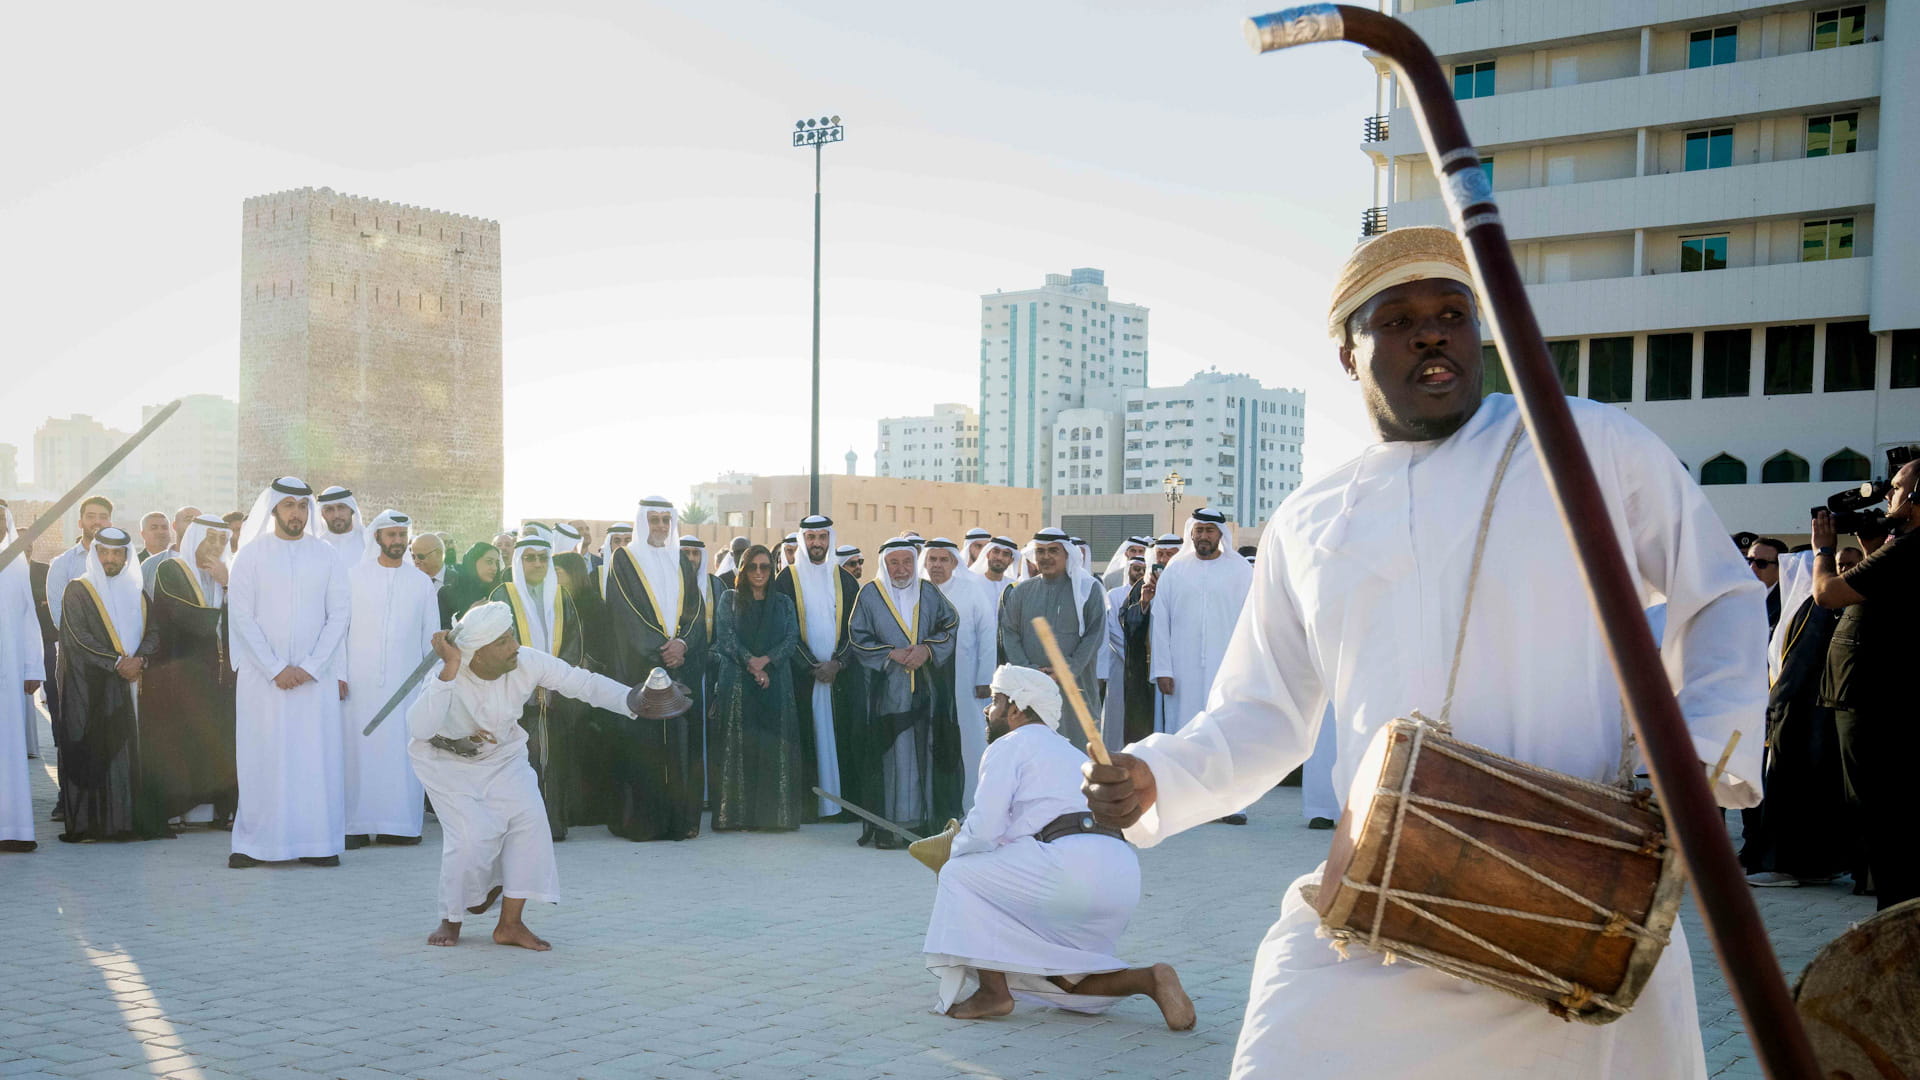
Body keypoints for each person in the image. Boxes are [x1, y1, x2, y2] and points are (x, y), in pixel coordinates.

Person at [1083, 226, 1762, 1079]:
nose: (1432, 332)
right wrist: (1160, 778)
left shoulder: (1583, 444)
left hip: (1569, 897)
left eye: (1452, 312)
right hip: (1379, 904)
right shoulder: (1309, 518)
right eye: (1398, 320)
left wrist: (1697, 759)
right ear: (1348, 354)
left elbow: (1723, 593)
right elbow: (1263, 714)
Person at [926, 664, 1195, 1030]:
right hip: (1121, 877)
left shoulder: (1010, 744)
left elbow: (985, 828)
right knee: (1070, 986)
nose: (987, 711)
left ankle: (994, 992)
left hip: (1065, 871)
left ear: (1016, 710)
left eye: (995, 701)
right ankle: (1152, 979)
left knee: (957, 875)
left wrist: (951, 850)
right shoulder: (1072, 753)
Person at [407, 602, 649, 951]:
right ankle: (452, 916)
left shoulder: (528, 661)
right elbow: (419, 727)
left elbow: (580, 682)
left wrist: (632, 700)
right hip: (446, 764)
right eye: (503, 641)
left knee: (531, 823)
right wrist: (449, 668)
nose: (514, 646)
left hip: (504, 756)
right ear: (477, 653)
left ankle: (510, 925)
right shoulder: (450, 674)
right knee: (473, 837)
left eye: (511, 636)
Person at [1811, 457, 1920, 910]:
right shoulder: (1902, 547)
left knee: (1881, 815)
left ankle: (1896, 921)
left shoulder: (1912, 547)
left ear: (1915, 499)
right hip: (1880, 695)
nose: (1887, 494)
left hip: (1875, 700)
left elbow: (1828, 594)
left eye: (1896, 488)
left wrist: (1822, 550)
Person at [227, 477, 351, 869]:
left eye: (302, 506)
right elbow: (241, 617)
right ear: (274, 509)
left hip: (315, 680)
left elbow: (340, 615)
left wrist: (311, 667)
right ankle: (255, 844)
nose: (296, 513)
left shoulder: (327, 555)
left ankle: (317, 843)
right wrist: (276, 667)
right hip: (262, 680)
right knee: (261, 756)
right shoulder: (250, 555)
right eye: (289, 506)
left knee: (313, 759)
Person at [1740, 543, 1853, 887]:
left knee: (1792, 792)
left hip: (1800, 717)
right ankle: (1813, 865)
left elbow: (1796, 671)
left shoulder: (1811, 611)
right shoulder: (1801, 608)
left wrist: (1774, 705)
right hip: (1797, 714)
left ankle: (1788, 866)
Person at [603, 496, 708, 841]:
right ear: (642, 522)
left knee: (678, 746)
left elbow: (695, 610)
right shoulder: (624, 559)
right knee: (644, 746)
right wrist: (660, 651)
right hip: (641, 668)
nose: (661, 527)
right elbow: (625, 613)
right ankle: (643, 824)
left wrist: (684, 645)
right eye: (655, 520)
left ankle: (679, 822)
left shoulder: (681, 560)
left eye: (666, 520)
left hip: (678, 667)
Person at [56, 526, 164, 842]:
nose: (110, 558)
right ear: (96, 553)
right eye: (104, 552)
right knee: (94, 749)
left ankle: (126, 822)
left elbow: (154, 633)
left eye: (118, 553)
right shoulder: (79, 589)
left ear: (127, 556)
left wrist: (140, 660)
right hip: (91, 689)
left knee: (128, 752)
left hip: (133, 685)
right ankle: (93, 824)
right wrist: (118, 663)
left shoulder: (139, 592)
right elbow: (78, 637)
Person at [849, 538, 960, 848]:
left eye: (907, 562)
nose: (901, 569)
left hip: (925, 689)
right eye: (894, 563)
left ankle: (924, 824)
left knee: (925, 752)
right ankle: (888, 827)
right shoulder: (869, 594)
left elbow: (950, 625)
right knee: (889, 756)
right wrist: (890, 654)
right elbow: (857, 637)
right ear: (885, 564)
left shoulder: (929, 592)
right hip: (887, 692)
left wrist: (927, 649)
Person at [340, 510, 439, 849]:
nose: (397, 541)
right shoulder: (353, 577)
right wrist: (339, 674)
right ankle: (354, 824)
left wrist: (430, 685)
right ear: (377, 538)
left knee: (402, 752)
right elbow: (340, 632)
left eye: (401, 535)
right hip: (358, 683)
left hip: (406, 686)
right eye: (391, 535)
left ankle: (399, 825)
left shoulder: (421, 582)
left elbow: (432, 639)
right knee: (356, 751)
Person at [141, 515, 238, 828]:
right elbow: (190, 619)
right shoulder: (172, 570)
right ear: (195, 538)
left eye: (222, 541)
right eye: (211, 539)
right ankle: (181, 809)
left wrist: (226, 581)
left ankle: (220, 811)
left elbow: (246, 617)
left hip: (222, 675)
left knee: (220, 742)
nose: (216, 546)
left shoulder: (228, 572)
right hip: (182, 673)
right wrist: (226, 588)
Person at [489, 534, 585, 841]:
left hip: (554, 698)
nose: (537, 564)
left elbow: (574, 644)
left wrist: (553, 683)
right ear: (519, 561)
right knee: (518, 762)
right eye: (529, 558)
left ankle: (553, 824)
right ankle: (518, 828)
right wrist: (528, 683)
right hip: (515, 696)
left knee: (553, 760)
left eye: (543, 558)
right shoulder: (503, 595)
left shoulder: (562, 597)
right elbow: (497, 645)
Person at [772, 515, 867, 822]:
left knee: (843, 738)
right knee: (806, 737)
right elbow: (783, 630)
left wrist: (838, 663)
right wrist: (812, 665)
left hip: (840, 676)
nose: (816, 543)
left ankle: (843, 808)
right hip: (804, 678)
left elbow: (858, 629)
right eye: (811, 537)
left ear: (830, 540)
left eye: (822, 537)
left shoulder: (846, 580)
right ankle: (810, 808)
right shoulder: (786, 580)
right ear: (803, 540)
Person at [710, 545, 805, 831]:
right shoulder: (729, 599)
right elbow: (724, 636)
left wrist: (767, 662)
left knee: (774, 747)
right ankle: (735, 816)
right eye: (753, 567)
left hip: (776, 681)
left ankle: (774, 817)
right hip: (738, 682)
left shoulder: (784, 602)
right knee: (739, 747)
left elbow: (791, 639)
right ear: (743, 569)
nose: (759, 573)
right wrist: (752, 663)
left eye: (765, 567)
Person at [997, 528, 1106, 751]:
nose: (1046, 557)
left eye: (1053, 551)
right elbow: (1009, 632)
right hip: (1030, 688)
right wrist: (1030, 672)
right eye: (1041, 552)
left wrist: (1066, 670)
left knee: (1078, 747)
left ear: (1067, 554)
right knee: (1035, 748)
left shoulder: (1088, 589)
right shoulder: (1022, 591)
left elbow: (1094, 635)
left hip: (1075, 686)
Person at [1151, 508, 1254, 737]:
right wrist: (1162, 669)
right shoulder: (1175, 570)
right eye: (1199, 530)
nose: (1204, 536)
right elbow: (1160, 624)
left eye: (1210, 531)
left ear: (1220, 535)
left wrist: (1247, 669)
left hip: (1227, 667)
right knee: (1182, 729)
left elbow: (1250, 623)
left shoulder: (1240, 570)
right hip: (1180, 671)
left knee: (1223, 729)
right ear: (1191, 534)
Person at [922, 538, 995, 812]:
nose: (937, 565)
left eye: (943, 560)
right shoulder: (917, 591)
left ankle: (972, 805)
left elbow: (988, 635)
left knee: (969, 740)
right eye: (932, 559)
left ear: (954, 562)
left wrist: (984, 679)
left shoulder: (971, 590)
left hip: (965, 682)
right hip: (926, 681)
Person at [0, 501, 44, 852]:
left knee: (9, 748)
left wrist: (32, 668)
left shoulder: (16, 564)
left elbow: (30, 617)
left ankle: (12, 829)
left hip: (9, 670)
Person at [1098, 556, 1146, 748]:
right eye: (1136, 569)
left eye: (1143, 569)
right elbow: (1113, 632)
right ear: (1128, 570)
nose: (1140, 573)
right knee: (1116, 713)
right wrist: (1133, 658)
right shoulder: (1114, 594)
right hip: (1120, 664)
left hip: (1145, 668)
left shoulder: (1154, 592)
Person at [138, 505, 201, 600]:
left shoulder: (210, 563)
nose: (160, 532)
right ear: (175, 526)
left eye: (164, 527)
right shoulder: (146, 565)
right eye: (154, 528)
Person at [441, 542, 502, 628]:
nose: (495, 568)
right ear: (472, 561)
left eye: (496, 563)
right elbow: (443, 635)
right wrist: (470, 616)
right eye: (489, 561)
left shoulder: (499, 593)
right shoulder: (447, 594)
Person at [1746, 537, 1787, 634]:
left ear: (1780, 567)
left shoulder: (1786, 603)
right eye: (1749, 560)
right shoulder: (1734, 596)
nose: (1752, 568)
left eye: (1761, 563)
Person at [316, 485, 363, 567]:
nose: (336, 515)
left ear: (352, 509)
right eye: (329, 509)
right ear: (322, 515)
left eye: (341, 507)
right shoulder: (317, 546)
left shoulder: (367, 542)